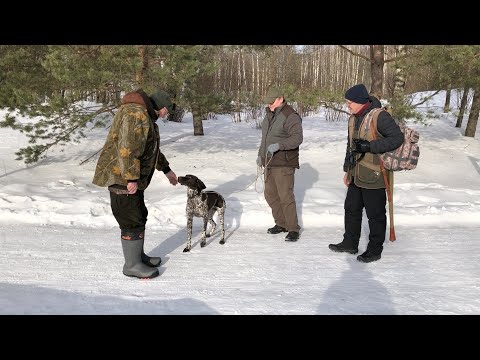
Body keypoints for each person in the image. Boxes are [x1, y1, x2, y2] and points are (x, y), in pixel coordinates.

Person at [92, 88, 178, 279]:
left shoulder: (144, 116)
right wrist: (131, 177)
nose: (166, 114)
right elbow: (127, 148)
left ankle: (138, 257)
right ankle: (132, 265)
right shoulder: (136, 114)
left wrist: (166, 169)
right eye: (167, 110)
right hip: (122, 177)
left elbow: (149, 149)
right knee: (131, 218)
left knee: (139, 214)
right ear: (161, 106)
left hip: (131, 177)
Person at [329, 84, 404, 263]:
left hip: (374, 174)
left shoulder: (380, 116)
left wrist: (370, 146)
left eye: (350, 102)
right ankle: (350, 242)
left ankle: (375, 249)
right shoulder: (353, 118)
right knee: (351, 209)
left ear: (361, 101)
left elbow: (397, 138)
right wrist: (347, 170)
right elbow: (350, 146)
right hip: (356, 173)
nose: (347, 105)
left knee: (375, 214)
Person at [256, 86, 303, 242]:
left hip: (284, 163)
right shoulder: (269, 114)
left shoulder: (290, 116)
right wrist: (260, 155)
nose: (269, 104)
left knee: (285, 196)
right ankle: (281, 223)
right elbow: (265, 138)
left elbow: (297, 138)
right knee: (270, 194)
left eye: (272, 101)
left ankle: (293, 229)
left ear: (281, 99)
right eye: (268, 102)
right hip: (269, 162)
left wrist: (279, 145)